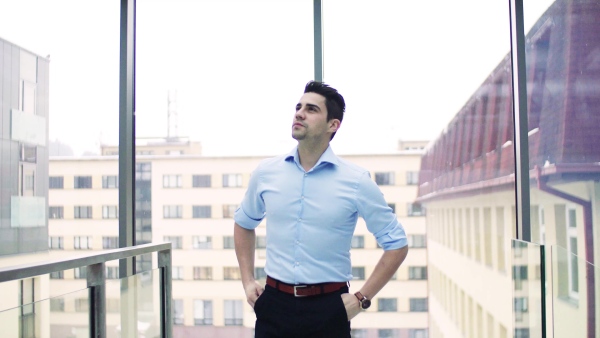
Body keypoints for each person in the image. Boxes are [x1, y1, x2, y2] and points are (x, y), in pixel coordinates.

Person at [234, 81, 409, 338]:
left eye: (311, 109)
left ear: (333, 125)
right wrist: (248, 281)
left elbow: (397, 244)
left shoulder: (356, 181)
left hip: (329, 310)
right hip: (273, 306)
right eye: (298, 107)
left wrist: (362, 298)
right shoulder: (266, 173)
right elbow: (243, 223)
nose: (299, 113)